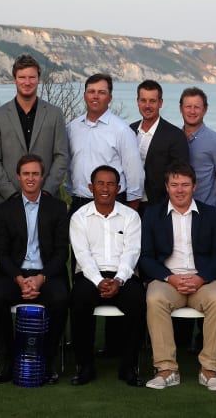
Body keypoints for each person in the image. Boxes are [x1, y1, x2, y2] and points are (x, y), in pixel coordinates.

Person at [140, 162, 216, 392]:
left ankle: (210, 369)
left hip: (204, 280)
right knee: (154, 298)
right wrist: (170, 278)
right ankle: (166, 369)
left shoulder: (210, 213)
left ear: (194, 186)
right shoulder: (152, 214)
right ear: (167, 187)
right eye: (175, 185)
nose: (180, 190)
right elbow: (146, 257)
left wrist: (202, 277)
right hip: (168, 280)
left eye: (185, 185)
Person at [0, 154, 70, 384]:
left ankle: (48, 359)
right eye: (26, 174)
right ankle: (8, 359)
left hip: (46, 273)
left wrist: (40, 279)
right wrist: (19, 279)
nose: (31, 178)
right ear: (18, 177)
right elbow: (1, 252)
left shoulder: (57, 208)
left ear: (42, 176)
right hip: (15, 273)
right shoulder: (5, 209)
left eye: (35, 173)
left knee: (61, 298)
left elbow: (62, 252)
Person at [68, 166, 145, 387]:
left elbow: (132, 252)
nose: (105, 188)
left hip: (123, 275)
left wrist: (119, 280)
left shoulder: (131, 216)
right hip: (90, 275)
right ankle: (85, 367)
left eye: (110, 184)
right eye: (100, 183)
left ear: (118, 188)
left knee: (137, 300)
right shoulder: (79, 217)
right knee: (79, 300)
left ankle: (128, 367)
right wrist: (99, 281)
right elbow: (82, 254)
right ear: (91, 188)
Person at [0, 54, 69, 209]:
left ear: (39, 79)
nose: (27, 82)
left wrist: (46, 191)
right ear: (14, 79)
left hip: (47, 200)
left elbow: (62, 156)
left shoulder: (54, 114)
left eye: (32, 77)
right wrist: (11, 193)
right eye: (22, 77)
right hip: (8, 201)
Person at [66, 74, 144, 215]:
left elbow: (135, 175)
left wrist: (129, 213)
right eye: (91, 91)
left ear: (110, 97)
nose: (95, 96)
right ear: (85, 95)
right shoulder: (72, 128)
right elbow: (69, 166)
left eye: (102, 92)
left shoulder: (121, 130)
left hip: (112, 204)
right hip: (79, 203)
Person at [130, 80, 189, 212]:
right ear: (137, 102)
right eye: (143, 100)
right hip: (129, 205)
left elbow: (180, 174)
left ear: (160, 103)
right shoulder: (129, 131)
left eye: (152, 101)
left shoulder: (175, 135)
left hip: (159, 207)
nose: (147, 105)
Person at [179, 87, 216, 209]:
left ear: (205, 110)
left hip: (206, 211)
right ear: (181, 109)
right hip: (178, 212)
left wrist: (209, 200)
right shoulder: (174, 138)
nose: (192, 111)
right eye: (188, 107)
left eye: (197, 107)